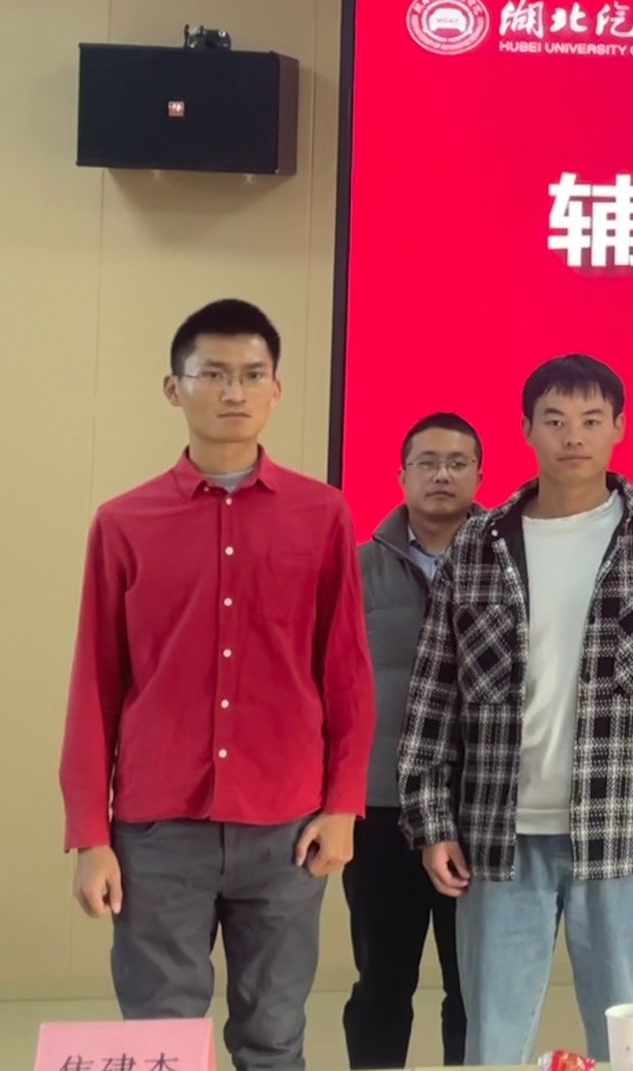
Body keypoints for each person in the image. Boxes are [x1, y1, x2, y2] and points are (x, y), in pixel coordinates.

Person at [61, 299, 374, 1071]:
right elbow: (95, 684)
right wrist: (90, 836)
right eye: (213, 374)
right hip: (158, 829)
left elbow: (346, 672)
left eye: (252, 374)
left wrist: (342, 805)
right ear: (175, 388)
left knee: (274, 1035)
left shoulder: (322, 514)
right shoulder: (124, 522)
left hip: (287, 825)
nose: (234, 391)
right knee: (159, 1037)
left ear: (276, 389)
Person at [397, 354, 633, 1066]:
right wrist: (431, 820)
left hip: (627, 836)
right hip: (498, 835)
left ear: (619, 427)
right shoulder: (478, 544)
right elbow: (434, 695)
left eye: (589, 420)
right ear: (526, 430)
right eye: (554, 420)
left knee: (626, 1043)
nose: (572, 436)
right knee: (493, 1042)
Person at [345, 412, 484, 1068]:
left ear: (479, 476)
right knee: (382, 980)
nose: (441, 475)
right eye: (427, 462)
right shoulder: (356, 568)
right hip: (381, 807)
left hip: (479, 806)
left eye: (457, 463)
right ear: (402, 475)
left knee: (474, 986)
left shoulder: (506, 565)